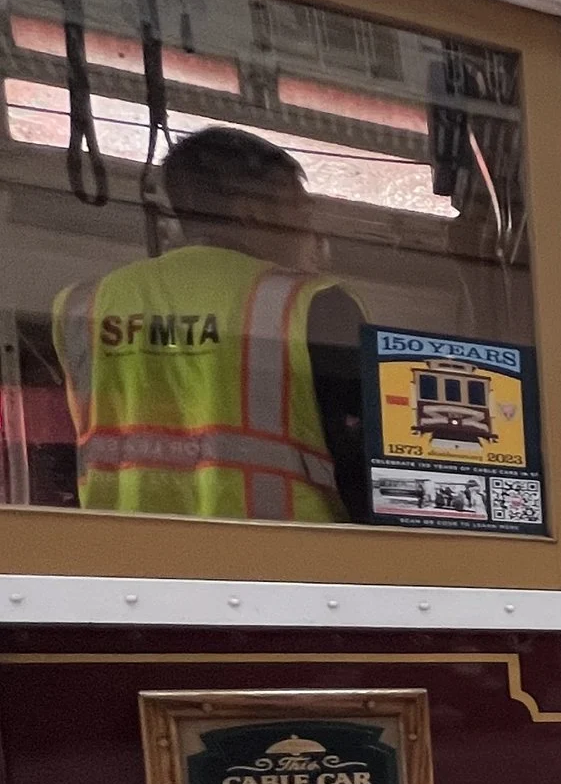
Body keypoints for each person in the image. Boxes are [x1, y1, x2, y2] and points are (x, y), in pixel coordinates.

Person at [51, 127, 366, 522]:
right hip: (281, 561)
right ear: (255, 210)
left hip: (126, 562)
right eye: (300, 212)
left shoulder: (82, 306)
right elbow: (372, 457)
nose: (309, 230)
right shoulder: (313, 304)